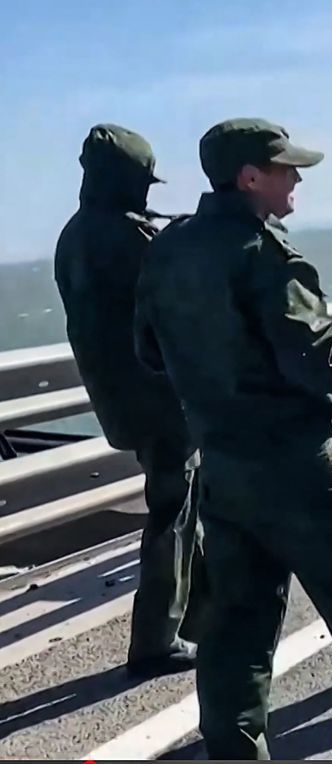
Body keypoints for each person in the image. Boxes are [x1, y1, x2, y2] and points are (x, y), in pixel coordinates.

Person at [133, 118, 332, 760]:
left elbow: (148, 351)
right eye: (286, 169)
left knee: (234, 639)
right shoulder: (266, 256)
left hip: (223, 469)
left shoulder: (168, 249)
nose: (296, 179)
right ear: (249, 178)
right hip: (299, 470)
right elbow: (323, 361)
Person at [53, 124, 206, 679]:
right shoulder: (125, 238)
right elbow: (180, 297)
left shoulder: (74, 236)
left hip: (119, 398)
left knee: (183, 506)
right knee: (172, 512)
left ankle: (202, 613)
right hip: (158, 398)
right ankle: (156, 641)